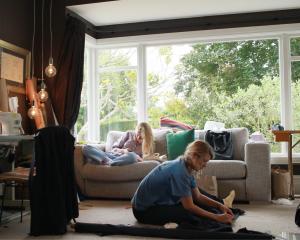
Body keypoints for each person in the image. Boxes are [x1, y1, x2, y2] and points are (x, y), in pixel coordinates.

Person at [131, 140, 235, 228]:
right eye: (204, 161)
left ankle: (223, 204)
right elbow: (189, 206)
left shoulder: (185, 165)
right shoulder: (180, 171)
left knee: (196, 196)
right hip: (143, 211)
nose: (205, 165)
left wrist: (219, 206)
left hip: (155, 203)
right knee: (189, 214)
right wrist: (216, 217)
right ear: (194, 156)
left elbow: (198, 196)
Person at [82, 122, 154, 166]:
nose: (138, 137)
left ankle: (109, 162)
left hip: (125, 159)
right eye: (138, 134)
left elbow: (141, 160)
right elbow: (114, 148)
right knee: (86, 148)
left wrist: (135, 156)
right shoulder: (128, 134)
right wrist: (123, 151)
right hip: (111, 155)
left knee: (133, 156)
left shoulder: (146, 145)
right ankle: (109, 161)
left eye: (141, 137)